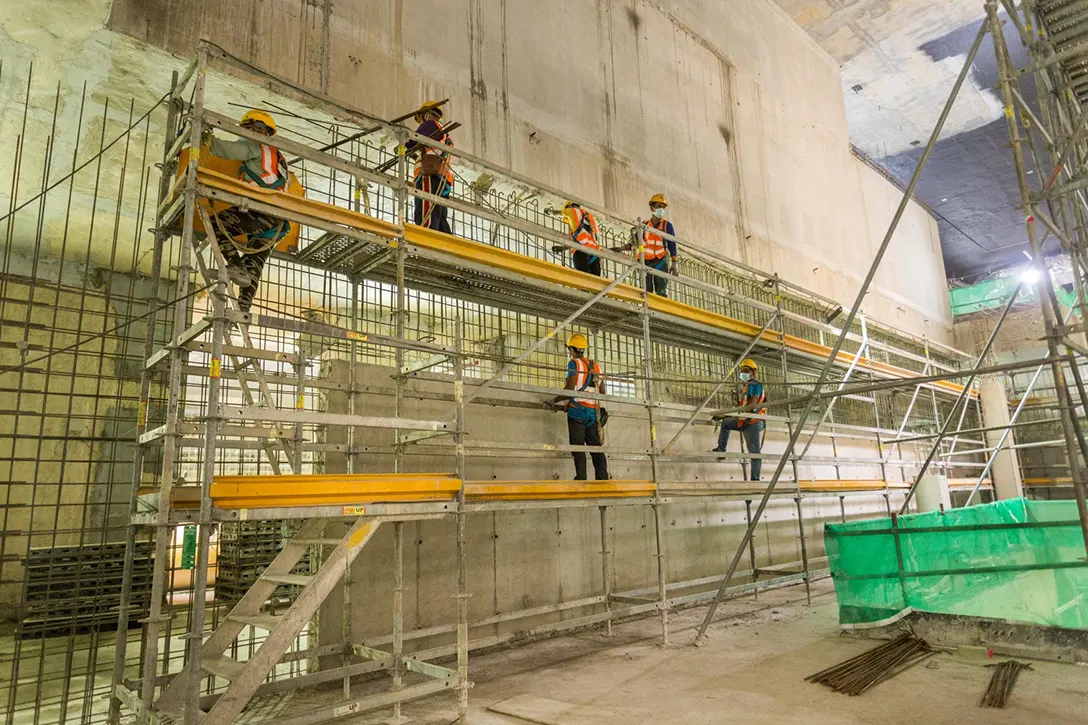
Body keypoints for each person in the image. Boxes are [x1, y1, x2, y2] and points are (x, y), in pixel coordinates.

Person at [205, 109, 291, 313]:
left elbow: (223, 149)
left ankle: (235, 264)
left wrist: (205, 135)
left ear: (255, 129)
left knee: (216, 224)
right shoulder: (277, 156)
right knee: (254, 267)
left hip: (263, 211)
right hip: (276, 222)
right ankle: (243, 309)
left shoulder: (256, 146)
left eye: (246, 129)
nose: (243, 134)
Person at [549, 333, 610, 481]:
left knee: (577, 447)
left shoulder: (573, 363)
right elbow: (602, 391)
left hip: (577, 411)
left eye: (569, 349)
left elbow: (570, 388)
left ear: (572, 349)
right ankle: (602, 479)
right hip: (593, 413)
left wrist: (554, 400)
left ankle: (581, 477)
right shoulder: (596, 366)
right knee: (596, 448)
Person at [711, 358, 766, 481]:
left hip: (753, 422)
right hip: (745, 421)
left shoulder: (755, 385)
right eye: (742, 371)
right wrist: (724, 415)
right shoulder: (746, 389)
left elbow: (752, 405)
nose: (743, 373)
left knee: (754, 453)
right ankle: (721, 450)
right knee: (726, 423)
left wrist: (730, 413)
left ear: (753, 372)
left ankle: (755, 481)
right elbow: (741, 408)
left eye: (746, 370)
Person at [404, 101, 454, 234]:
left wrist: (403, 141)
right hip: (443, 180)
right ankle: (445, 244)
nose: (421, 123)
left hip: (430, 176)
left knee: (426, 214)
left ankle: (425, 239)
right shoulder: (443, 133)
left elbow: (412, 142)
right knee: (439, 216)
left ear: (426, 114)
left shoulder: (430, 125)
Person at [639, 193, 679, 296]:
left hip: (660, 261)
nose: (661, 209)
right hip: (646, 262)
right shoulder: (644, 225)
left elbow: (671, 243)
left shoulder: (667, 225)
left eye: (663, 207)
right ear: (652, 208)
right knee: (645, 290)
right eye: (658, 206)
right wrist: (622, 248)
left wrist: (674, 262)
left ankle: (658, 310)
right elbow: (636, 241)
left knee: (661, 291)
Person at [554, 201, 602, 276]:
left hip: (580, 252)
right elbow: (586, 240)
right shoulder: (592, 219)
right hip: (594, 255)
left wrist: (547, 211)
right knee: (595, 283)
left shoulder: (571, 211)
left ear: (569, 207)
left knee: (583, 279)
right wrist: (562, 248)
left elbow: (556, 213)